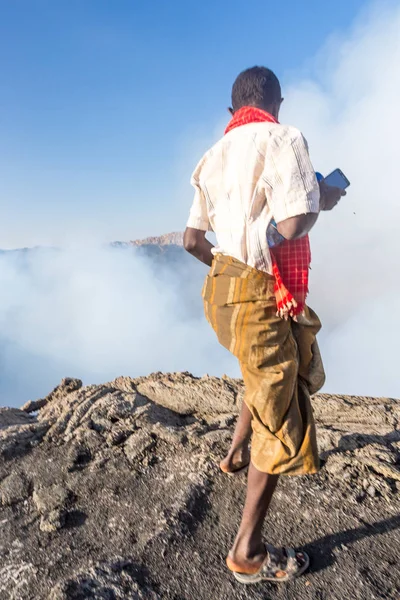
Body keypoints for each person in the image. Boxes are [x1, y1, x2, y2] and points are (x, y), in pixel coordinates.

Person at [183, 66, 346, 585]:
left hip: (220, 291)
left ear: (233, 111)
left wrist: (228, 270)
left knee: (261, 372)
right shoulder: (284, 137)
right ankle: (247, 553)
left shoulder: (212, 155)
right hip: (258, 289)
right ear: (278, 102)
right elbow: (294, 222)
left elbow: (190, 240)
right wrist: (324, 197)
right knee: (279, 408)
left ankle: (234, 454)